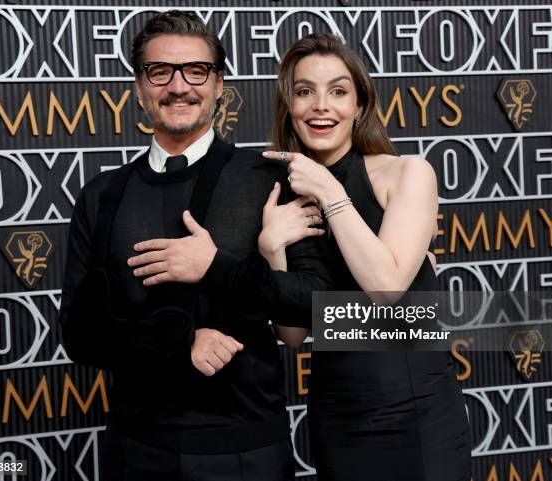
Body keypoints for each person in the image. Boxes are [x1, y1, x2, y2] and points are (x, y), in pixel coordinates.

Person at [59, 11, 331, 481]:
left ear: (219, 83)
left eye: (196, 71)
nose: (178, 86)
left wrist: (216, 268)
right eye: (159, 71)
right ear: (139, 87)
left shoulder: (270, 178)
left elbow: (315, 309)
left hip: (247, 452)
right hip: (134, 450)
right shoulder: (102, 195)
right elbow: (79, 333)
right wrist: (180, 342)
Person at [257, 34, 472, 480]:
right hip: (338, 419)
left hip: (418, 418)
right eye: (304, 91)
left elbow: (387, 290)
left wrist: (332, 192)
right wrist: (271, 249)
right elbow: (295, 333)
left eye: (338, 91)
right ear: (289, 107)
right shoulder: (284, 194)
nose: (321, 105)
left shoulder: (408, 173)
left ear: (359, 106)